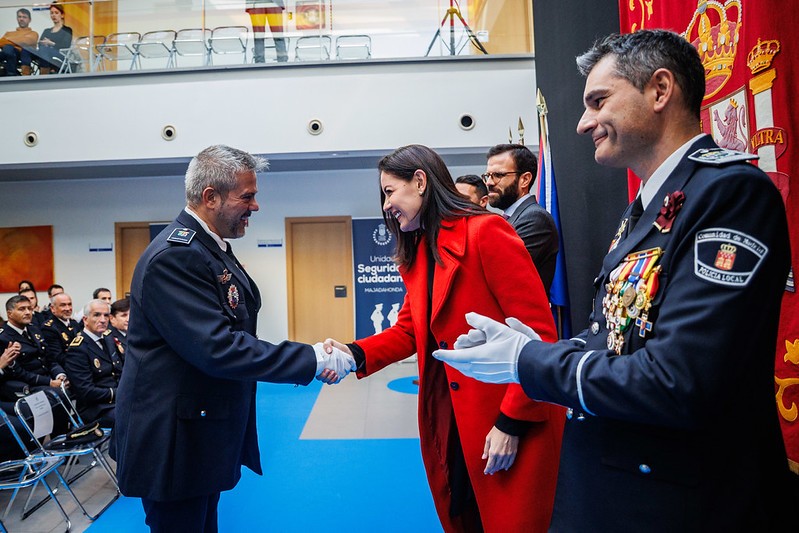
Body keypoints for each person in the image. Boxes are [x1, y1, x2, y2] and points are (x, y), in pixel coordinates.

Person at [434, 30, 793, 531]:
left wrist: (529, 360)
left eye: (598, 101)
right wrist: (525, 345)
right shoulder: (647, 207)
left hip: (680, 502)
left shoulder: (730, 193)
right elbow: (615, 333)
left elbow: (678, 381)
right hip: (618, 486)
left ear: (660, 90)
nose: (583, 124)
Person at [111, 145, 355, 533]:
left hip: (199, 429)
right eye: (248, 196)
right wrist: (312, 358)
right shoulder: (176, 256)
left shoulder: (208, 248)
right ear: (211, 197)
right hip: (174, 440)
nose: (255, 206)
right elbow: (218, 348)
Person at [323, 144, 564, 533]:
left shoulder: (487, 232)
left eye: (389, 192)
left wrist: (511, 422)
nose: (386, 206)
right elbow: (408, 330)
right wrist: (352, 354)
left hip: (507, 416)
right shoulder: (420, 251)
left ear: (420, 181)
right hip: (453, 415)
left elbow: (539, 336)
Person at [484, 144, 558, 295]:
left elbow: (498, 274)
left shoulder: (535, 218)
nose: (489, 183)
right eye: (488, 175)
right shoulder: (509, 219)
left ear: (525, 180)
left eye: (498, 175)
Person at [64, 299, 123, 427]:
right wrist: (119, 392)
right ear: (85, 320)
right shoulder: (78, 348)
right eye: (97, 315)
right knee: (133, 418)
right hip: (96, 409)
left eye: (106, 315)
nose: (102, 320)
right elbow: (86, 392)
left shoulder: (108, 339)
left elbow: (119, 371)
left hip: (117, 401)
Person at [31, 3, 72, 75]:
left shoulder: (67, 30)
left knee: (45, 50)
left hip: (60, 54)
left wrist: (50, 43)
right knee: (27, 49)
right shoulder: (46, 30)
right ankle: (26, 74)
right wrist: (44, 43)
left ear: (62, 15)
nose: (53, 15)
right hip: (45, 53)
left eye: (56, 13)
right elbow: (40, 43)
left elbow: (66, 45)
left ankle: (44, 75)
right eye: (51, 13)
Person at [40, 292, 79, 365]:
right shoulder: (48, 328)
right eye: (63, 305)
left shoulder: (74, 323)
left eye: (69, 304)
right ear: (53, 308)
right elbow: (57, 357)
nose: (68, 308)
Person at [0, 8, 38, 76]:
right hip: (9, 53)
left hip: (25, 55)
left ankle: (11, 74)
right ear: (17, 18)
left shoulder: (33, 33)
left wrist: (9, 39)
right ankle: (11, 74)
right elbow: (1, 42)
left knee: (8, 48)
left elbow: (27, 41)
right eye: (19, 17)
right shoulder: (9, 33)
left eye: (24, 17)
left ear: (29, 20)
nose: (21, 19)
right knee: (8, 49)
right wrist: (19, 41)